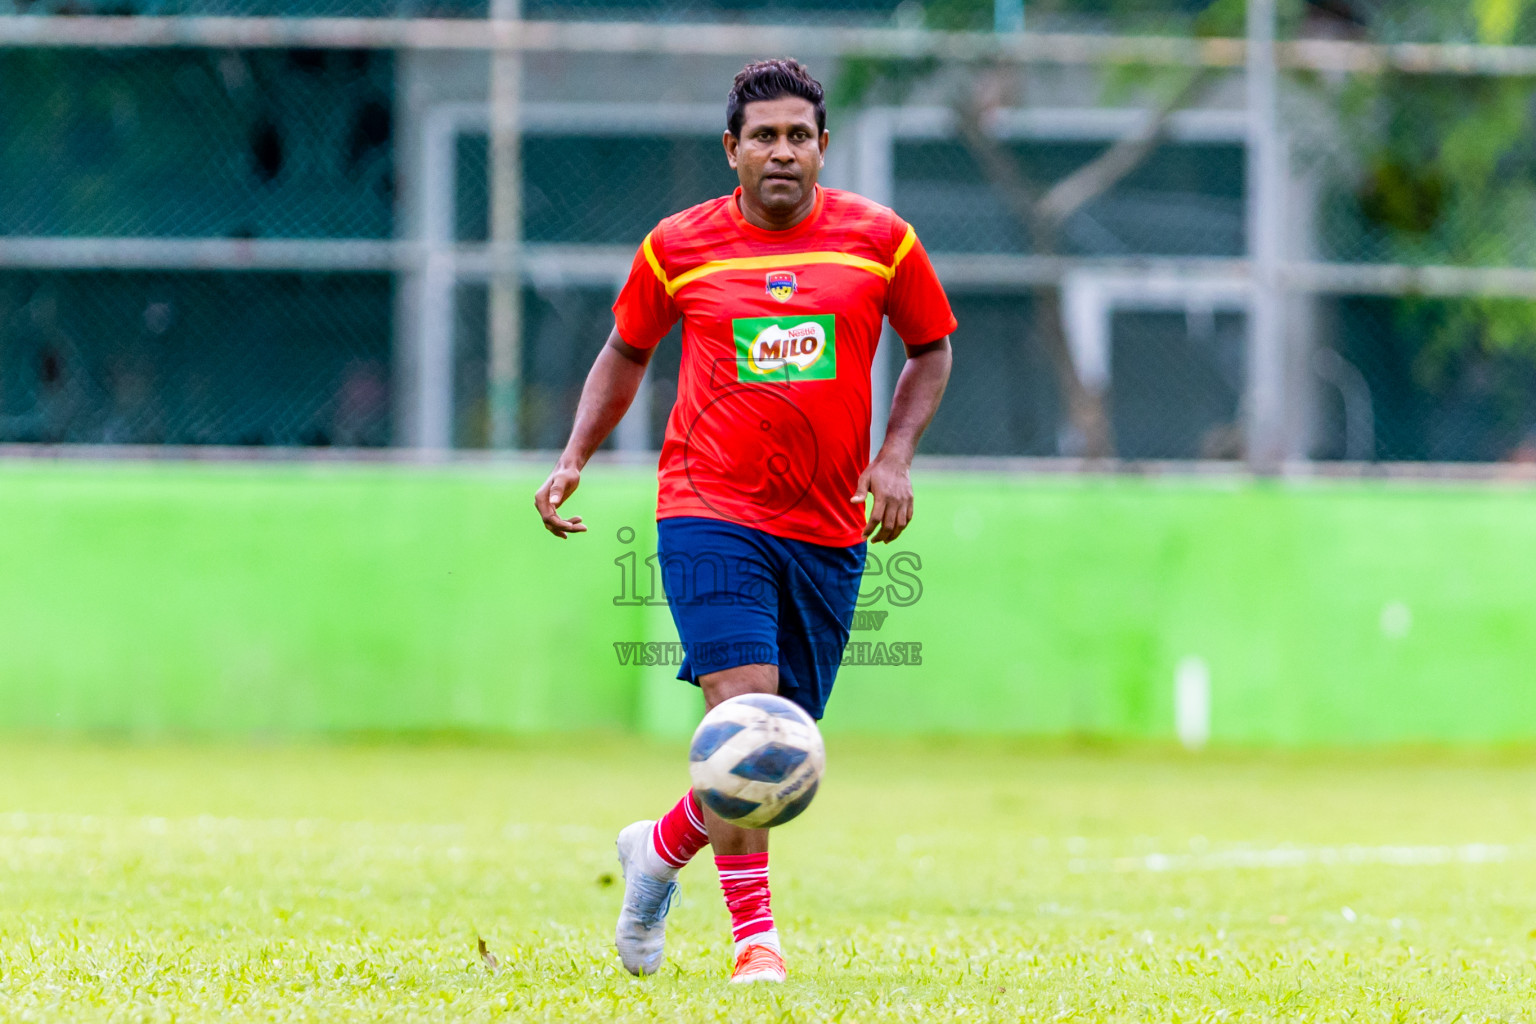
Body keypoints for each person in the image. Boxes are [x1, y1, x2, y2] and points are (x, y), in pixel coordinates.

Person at [534, 58, 955, 984]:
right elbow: (624, 353)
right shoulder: (676, 246)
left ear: (822, 148)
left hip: (829, 528)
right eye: (763, 136)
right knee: (749, 716)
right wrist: (574, 457)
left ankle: (658, 847)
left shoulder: (880, 243)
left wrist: (895, 456)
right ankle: (756, 944)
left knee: (782, 746)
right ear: (732, 150)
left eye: (798, 135)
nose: (781, 151)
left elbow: (931, 348)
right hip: (707, 511)